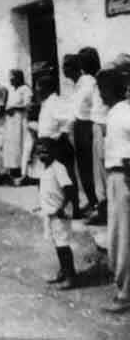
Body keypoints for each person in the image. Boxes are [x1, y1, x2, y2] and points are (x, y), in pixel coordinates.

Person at [96, 66, 130, 313]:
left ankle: (125, 293)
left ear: (109, 90)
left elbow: (127, 157)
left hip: (122, 179)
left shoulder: (119, 115)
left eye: (101, 89)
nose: (100, 95)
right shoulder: (119, 111)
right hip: (117, 177)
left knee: (122, 236)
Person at [35, 75, 81, 219]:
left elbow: (70, 119)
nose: (37, 90)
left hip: (56, 145)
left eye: (38, 86)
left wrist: (62, 134)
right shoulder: (47, 102)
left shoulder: (55, 102)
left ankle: (75, 209)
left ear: (46, 88)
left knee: (65, 178)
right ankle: (56, 206)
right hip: (47, 144)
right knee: (51, 178)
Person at [36, 138, 78, 290]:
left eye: (45, 151)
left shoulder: (58, 168)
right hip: (50, 213)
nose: (42, 155)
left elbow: (69, 189)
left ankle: (70, 276)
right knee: (57, 243)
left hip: (59, 213)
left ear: (54, 152)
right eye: (39, 152)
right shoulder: (43, 168)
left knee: (63, 245)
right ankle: (63, 271)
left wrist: (62, 207)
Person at [63, 54, 99, 218]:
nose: (63, 69)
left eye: (65, 66)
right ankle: (91, 201)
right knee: (82, 168)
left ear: (74, 67)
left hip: (88, 127)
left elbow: (95, 107)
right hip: (78, 127)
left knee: (90, 167)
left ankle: (97, 204)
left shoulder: (89, 83)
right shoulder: (76, 85)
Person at [79, 47, 108, 225]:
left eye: (83, 62)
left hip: (103, 127)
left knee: (103, 172)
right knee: (98, 172)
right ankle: (102, 207)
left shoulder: (102, 79)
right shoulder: (92, 80)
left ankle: (104, 211)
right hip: (96, 125)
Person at [4, 69, 33, 181]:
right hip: (11, 122)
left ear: (18, 78)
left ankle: (23, 171)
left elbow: (28, 106)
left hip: (21, 120)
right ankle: (14, 169)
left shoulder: (25, 89)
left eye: (12, 77)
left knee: (22, 144)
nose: (10, 80)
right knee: (13, 146)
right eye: (9, 77)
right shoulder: (12, 91)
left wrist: (14, 107)